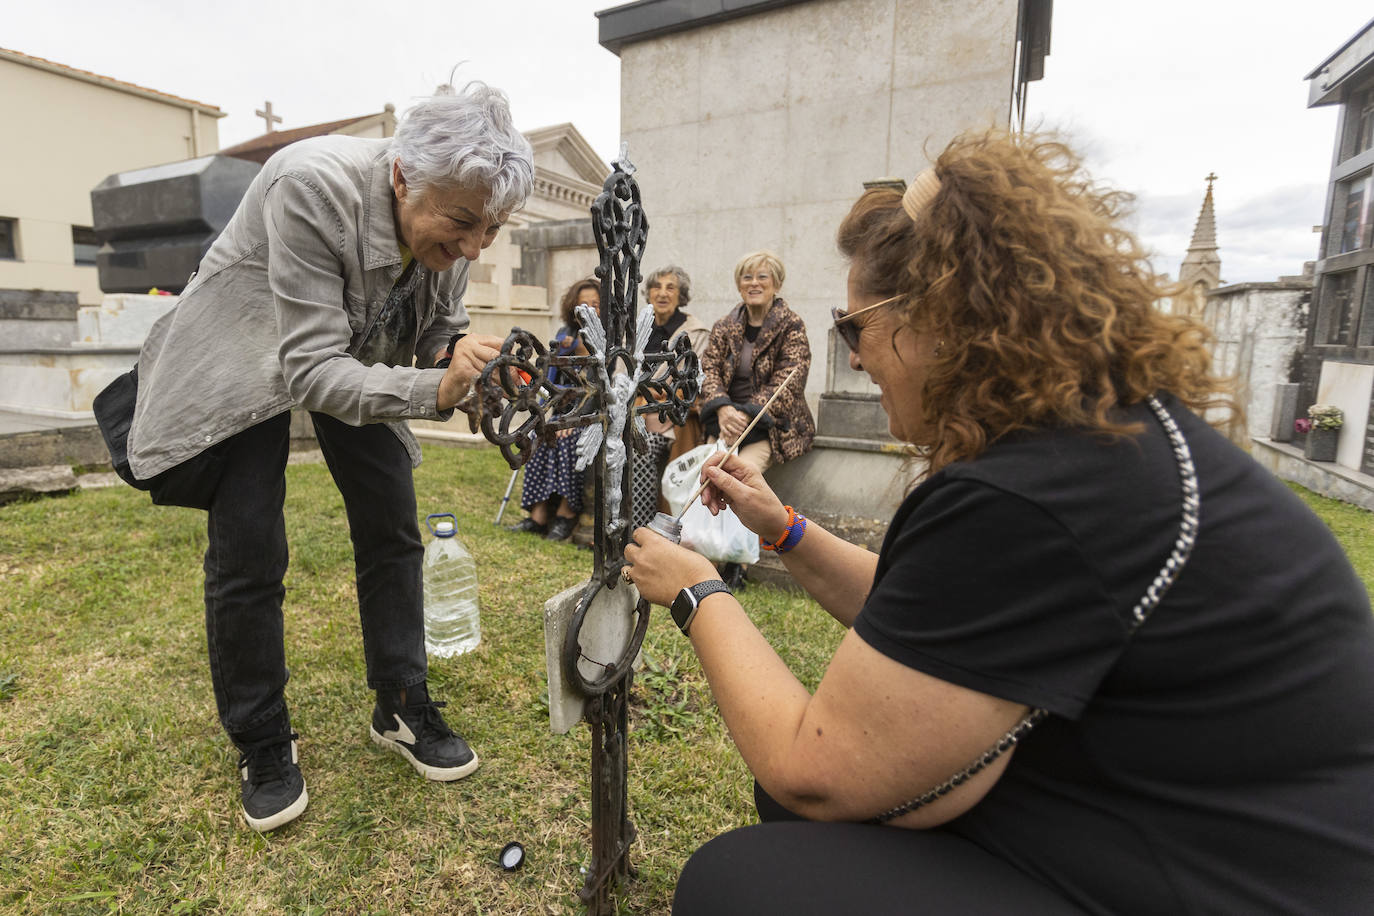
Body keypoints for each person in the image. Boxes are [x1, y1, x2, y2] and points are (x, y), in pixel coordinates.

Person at [623, 131, 1374, 914]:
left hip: (1243, 886)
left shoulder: (1036, 492)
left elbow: (812, 772)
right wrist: (782, 528)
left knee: (742, 883)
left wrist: (697, 593)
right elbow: (939, 615)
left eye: (857, 328)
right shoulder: (1086, 442)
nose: (859, 358)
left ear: (940, 314)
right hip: (1189, 838)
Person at [123, 82, 534, 832]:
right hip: (249, 355)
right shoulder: (309, 184)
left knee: (392, 523)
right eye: (465, 224)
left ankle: (401, 702)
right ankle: (262, 738)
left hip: (361, 352)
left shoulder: (458, 216)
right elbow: (307, 369)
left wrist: (458, 359)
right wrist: (431, 388)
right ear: (404, 176)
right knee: (250, 543)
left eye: (494, 230)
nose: (475, 247)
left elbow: (440, 326)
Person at [698, 251, 814, 587]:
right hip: (724, 421)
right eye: (747, 277)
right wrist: (722, 408)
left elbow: (791, 377)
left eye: (762, 277)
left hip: (769, 426)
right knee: (711, 478)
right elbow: (709, 370)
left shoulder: (791, 325)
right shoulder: (725, 325)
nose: (754, 284)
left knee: (740, 483)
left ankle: (737, 565)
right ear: (738, 284)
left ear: (776, 283)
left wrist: (746, 414)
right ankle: (715, 557)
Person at [507, 277, 601, 541]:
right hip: (562, 411)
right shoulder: (564, 336)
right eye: (584, 304)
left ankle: (566, 514)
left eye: (596, 304)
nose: (590, 310)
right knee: (541, 436)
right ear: (573, 307)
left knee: (570, 442)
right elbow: (548, 381)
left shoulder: (608, 339)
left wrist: (572, 421)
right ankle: (538, 516)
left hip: (592, 416)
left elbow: (600, 391)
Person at [631, 265, 710, 530]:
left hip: (672, 416)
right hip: (634, 409)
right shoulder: (637, 331)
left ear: (681, 295)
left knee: (641, 447)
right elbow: (620, 373)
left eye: (670, 287)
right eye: (656, 287)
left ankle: (642, 530)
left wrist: (654, 389)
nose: (662, 293)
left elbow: (692, 380)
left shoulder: (696, 333)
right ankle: (618, 525)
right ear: (648, 293)